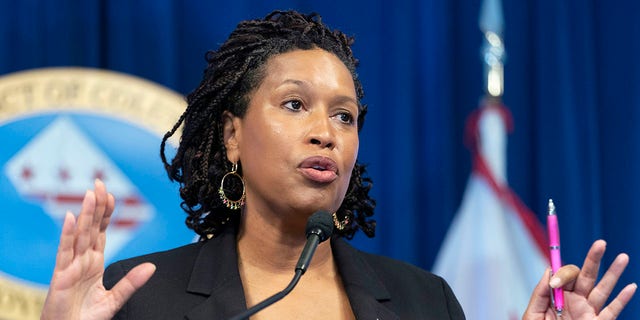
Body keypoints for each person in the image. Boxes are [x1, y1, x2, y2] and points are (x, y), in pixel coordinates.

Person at [40, 10, 635, 320]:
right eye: (295, 105)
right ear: (231, 137)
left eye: (345, 117)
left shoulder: (425, 302)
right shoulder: (140, 298)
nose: (326, 133)